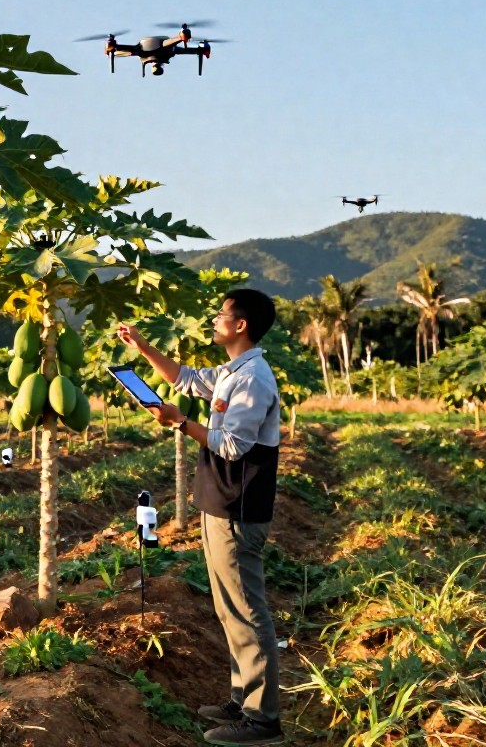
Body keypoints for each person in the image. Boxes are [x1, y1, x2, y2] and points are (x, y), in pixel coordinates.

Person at [117, 288, 284, 746]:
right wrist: (144, 348)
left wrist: (180, 422)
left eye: (221, 314)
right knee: (229, 609)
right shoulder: (233, 372)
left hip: (239, 508)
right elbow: (187, 380)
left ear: (241, 325)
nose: (214, 320)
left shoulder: (254, 379)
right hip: (220, 504)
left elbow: (232, 445)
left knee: (246, 610)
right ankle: (242, 699)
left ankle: (262, 720)